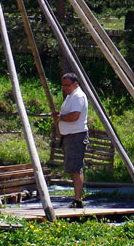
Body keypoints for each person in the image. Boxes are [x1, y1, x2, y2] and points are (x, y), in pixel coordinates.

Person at [50, 72, 89, 208]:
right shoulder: (71, 96)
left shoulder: (78, 96)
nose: (65, 88)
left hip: (76, 135)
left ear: (75, 84)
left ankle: (78, 200)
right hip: (70, 135)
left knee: (76, 168)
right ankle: (77, 198)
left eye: (67, 85)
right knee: (74, 168)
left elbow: (74, 116)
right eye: (63, 85)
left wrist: (60, 117)